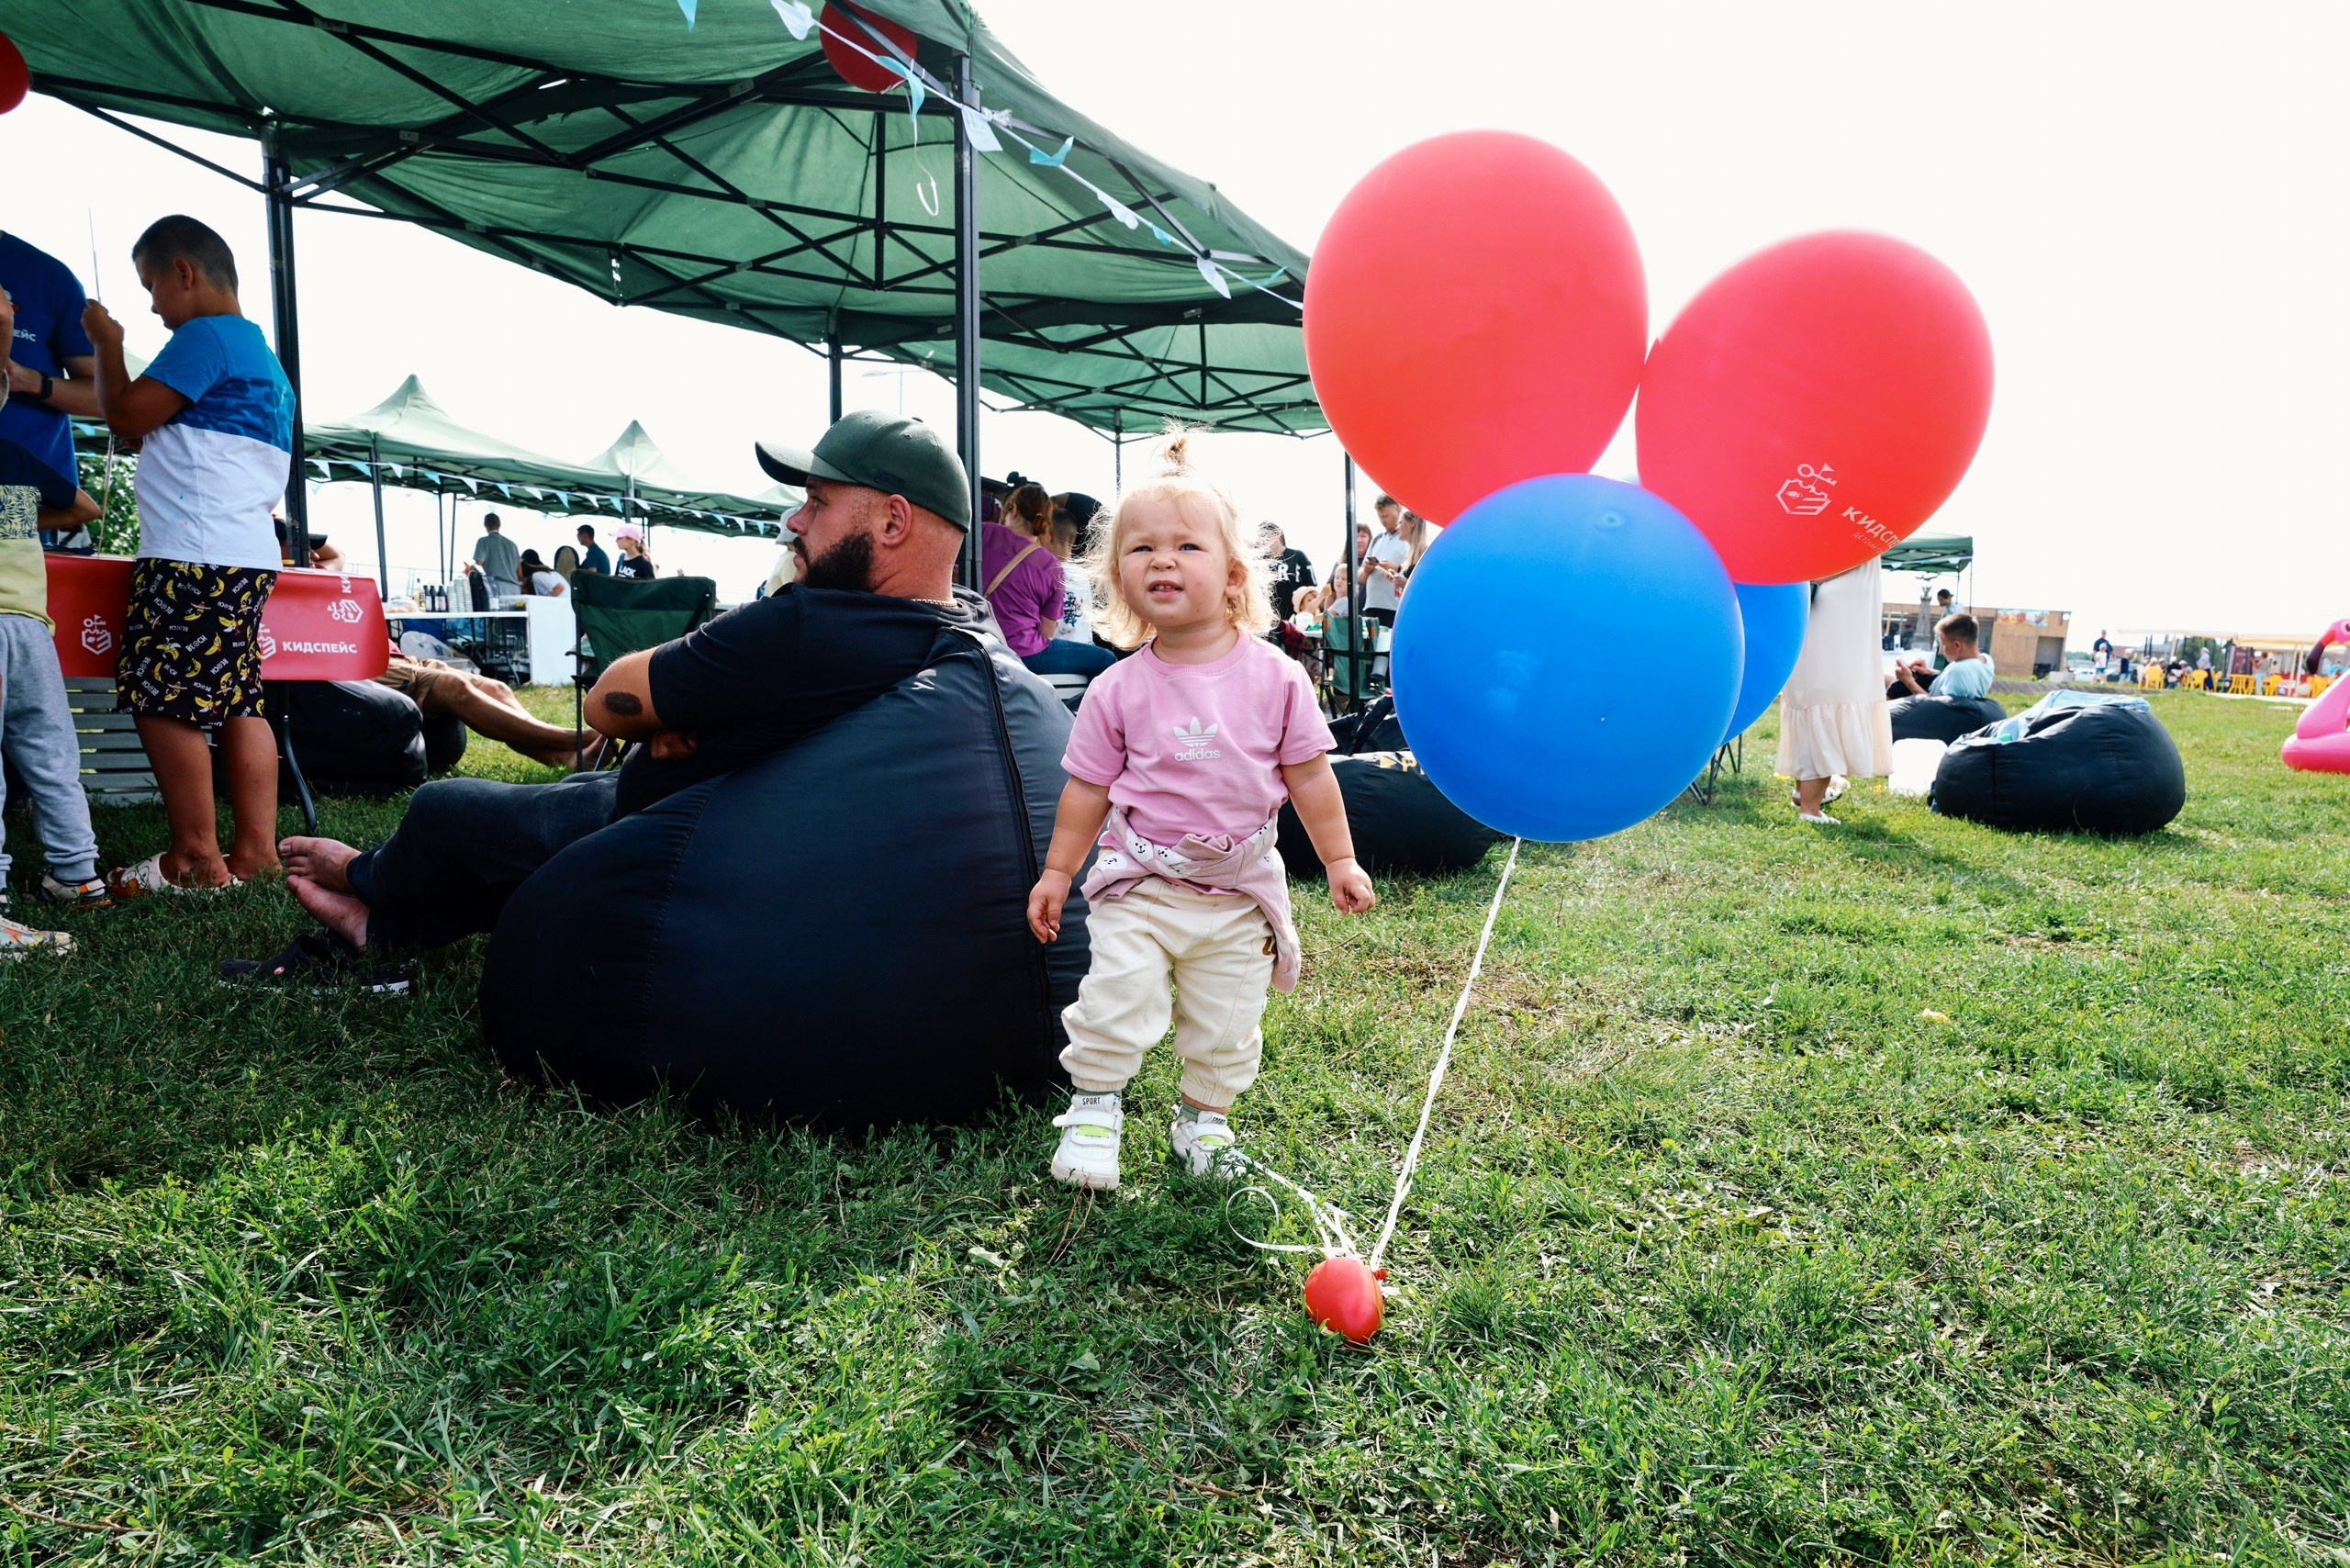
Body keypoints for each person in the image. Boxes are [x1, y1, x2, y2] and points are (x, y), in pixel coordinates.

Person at [219, 410, 1021, 985]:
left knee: (450, 811)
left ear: (892, 522)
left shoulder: (809, 624)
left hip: (690, 835)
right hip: (751, 814)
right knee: (563, 801)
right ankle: (389, 924)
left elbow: (607, 702)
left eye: (817, 501)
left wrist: (673, 713)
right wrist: (694, 718)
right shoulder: (957, 630)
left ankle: (369, 881)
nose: (793, 520)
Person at [1026, 433, 1375, 1191]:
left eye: (1186, 545)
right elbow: (1087, 790)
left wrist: (1341, 858)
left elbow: (1311, 777)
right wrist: (1059, 871)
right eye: (1141, 548)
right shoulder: (1117, 688)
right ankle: (1094, 1109)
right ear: (1117, 576)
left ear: (1232, 577)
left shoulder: (1277, 678)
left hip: (1239, 893)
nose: (1161, 560)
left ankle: (1202, 1122)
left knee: (1225, 1023)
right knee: (1114, 998)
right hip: (1140, 885)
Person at [84, 215, 292, 895]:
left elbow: (124, 417)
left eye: (151, 286)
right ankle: (256, 852)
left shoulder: (205, 336)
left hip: (191, 553)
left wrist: (108, 345)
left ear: (184, 273)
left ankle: (194, 861)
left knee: (161, 696)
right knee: (238, 697)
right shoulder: (261, 354)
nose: (150, 306)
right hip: (247, 552)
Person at [0, 331, 110, 954]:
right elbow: (85, 509)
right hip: (30, 630)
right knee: (52, 757)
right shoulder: (14, 457)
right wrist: (13, 520)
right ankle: (77, 874)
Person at [376, 630, 600, 769]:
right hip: (366, 666)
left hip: (399, 658)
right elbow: (337, 558)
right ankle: (572, 740)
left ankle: (565, 757)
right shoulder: (339, 584)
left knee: (496, 688)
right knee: (453, 686)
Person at [1776, 561, 1893, 825]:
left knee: (1814, 696)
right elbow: (1852, 553)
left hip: (1819, 596)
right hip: (1836, 598)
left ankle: (1803, 792)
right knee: (1830, 696)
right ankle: (1810, 808)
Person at [1, 229, 101, 504]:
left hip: (23, 494)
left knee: (17, 547)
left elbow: (102, 399)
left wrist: (24, 379)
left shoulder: (48, 276)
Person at [978, 485, 1068, 672]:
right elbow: (1047, 632)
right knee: (1104, 658)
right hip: (1026, 655)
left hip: (979, 645)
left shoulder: (983, 532)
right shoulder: (1052, 566)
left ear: (1014, 509)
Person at [1035, 501, 1115, 678]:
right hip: (1088, 653)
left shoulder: (1045, 571)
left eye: (1038, 538)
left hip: (1056, 656)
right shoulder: (1084, 573)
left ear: (1048, 536)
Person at [1894, 612, 1995, 699]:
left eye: (1943, 644)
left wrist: (1908, 681)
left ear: (1957, 645)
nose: (1941, 650)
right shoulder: (1986, 660)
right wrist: (1929, 671)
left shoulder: (1959, 671)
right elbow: (1964, 679)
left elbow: (1938, 708)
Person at [1360, 495, 1413, 626]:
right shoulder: (1377, 539)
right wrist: (1366, 569)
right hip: (1372, 605)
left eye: (1386, 516)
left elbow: (1415, 573)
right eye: (1380, 516)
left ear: (1399, 509)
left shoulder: (1409, 540)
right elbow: (1360, 578)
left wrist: (1396, 568)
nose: (1383, 521)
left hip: (1395, 607)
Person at [1258, 521, 1315, 623]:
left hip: (1295, 619)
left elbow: (1311, 589)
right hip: (1267, 619)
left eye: (1265, 536)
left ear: (1278, 534)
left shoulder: (1297, 556)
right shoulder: (1259, 561)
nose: (1263, 541)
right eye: (1260, 538)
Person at [473, 511, 521, 604]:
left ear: (485, 525)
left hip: (496, 588)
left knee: (498, 617)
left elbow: (478, 566)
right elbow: (519, 573)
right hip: (514, 589)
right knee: (514, 617)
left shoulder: (483, 541)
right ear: (499, 525)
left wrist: (470, 570)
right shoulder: (512, 545)